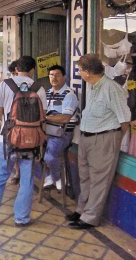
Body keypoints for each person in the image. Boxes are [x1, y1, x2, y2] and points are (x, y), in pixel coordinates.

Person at [0, 56, 47, 227]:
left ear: (16, 68)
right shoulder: (40, 88)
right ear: (32, 70)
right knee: (27, 179)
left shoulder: (5, 85)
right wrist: (42, 143)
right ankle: (22, 218)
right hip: (31, 141)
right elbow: (43, 119)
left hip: (8, 140)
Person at [67, 54, 131, 229]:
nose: (79, 73)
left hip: (104, 139)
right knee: (85, 177)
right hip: (87, 138)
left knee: (99, 180)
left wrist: (113, 141)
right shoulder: (94, 86)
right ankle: (81, 210)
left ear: (87, 72)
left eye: (80, 70)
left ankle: (90, 217)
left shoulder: (111, 88)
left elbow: (124, 119)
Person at [39, 65, 79, 191]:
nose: (54, 78)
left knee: (49, 157)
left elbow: (65, 118)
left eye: (57, 75)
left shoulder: (69, 95)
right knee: (32, 154)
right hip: (47, 132)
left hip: (62, 133)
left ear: (64, 77)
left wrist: (45, 117)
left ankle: (57, 177)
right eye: (51, 75)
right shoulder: (47, 93)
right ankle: (50, 176)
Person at [7, 60, 21, 185]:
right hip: (13, 123)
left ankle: (18, 173)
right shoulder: (8, 85)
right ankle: (18, 172)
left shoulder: (5, 84)